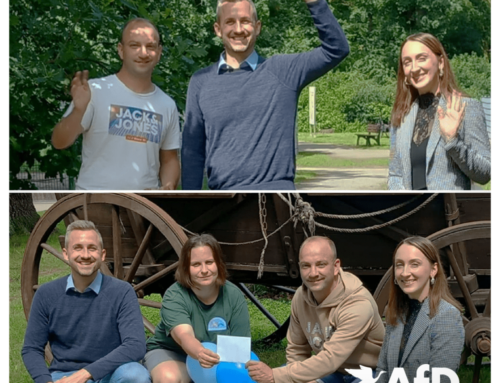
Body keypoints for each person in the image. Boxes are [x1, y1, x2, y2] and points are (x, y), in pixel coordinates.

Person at [181, 0, 349, 190]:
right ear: (218, 29)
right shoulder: (201, 81)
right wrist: (189, 206)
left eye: (245, 21)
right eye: (230, 22)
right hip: (223, 203)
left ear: (257, 27)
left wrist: (315, 3)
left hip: (276, 199)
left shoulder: (282, 71)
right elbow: (192, 153)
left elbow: (336, 49)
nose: (238, 29)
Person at [52, 18, 180, 190]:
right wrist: (78, 110)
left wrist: (169, 187)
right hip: (94, 203)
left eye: (150, 47)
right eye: (134, 45)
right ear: (121, 50)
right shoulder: (95, 91)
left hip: (145, 207)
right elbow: (59, 142)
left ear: (159, 52)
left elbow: (169, 159)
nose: (143, 53)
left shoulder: (167, 105)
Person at [22, 220, 150, 383]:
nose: (85, 255)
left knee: (136, 376)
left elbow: (135, 345)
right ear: (66, 254)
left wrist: (85, 374)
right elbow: (31, 348)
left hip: (113, 372)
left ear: (102, 255)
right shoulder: (46, 294)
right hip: (65, 374)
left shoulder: (122, 292)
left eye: (92, 248)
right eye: (78, 248)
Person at [246, 236, 385, 383]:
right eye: (306, 266)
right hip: (332, 371)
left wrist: (275, 375)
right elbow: (297, 349)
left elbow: (330, 358)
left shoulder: (357, 304)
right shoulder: (300, 297)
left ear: (336, 266)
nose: (313, 273)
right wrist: (302, 381)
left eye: (321, 264)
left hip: (370, 371)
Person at [388, 32, 490, 190]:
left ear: (441, 62)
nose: (414, 68)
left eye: (422, 58)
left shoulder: (466, 108)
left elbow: (485, 174)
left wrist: (453, 141)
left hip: (450, 212)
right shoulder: (402, 115)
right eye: (407, 62)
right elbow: (395, 175)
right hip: (412, 212)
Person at [144, 234, 251, 383]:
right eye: (196, 264)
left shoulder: (233, 295)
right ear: (186, 268)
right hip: (173, 353)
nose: (204, 270)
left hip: (217, 359)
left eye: (209, 262)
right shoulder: (175, 295)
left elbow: (239, 348)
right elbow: (184, 336)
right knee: (168, 379)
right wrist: (200, 353)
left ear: (218, 264)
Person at [376, 236, 464, 383]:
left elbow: (441, 379)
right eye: (399, 265)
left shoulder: (446, 316)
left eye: (414, 264)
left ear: (433, 269)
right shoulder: (397, 313)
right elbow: (383, 371)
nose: (405, 272)